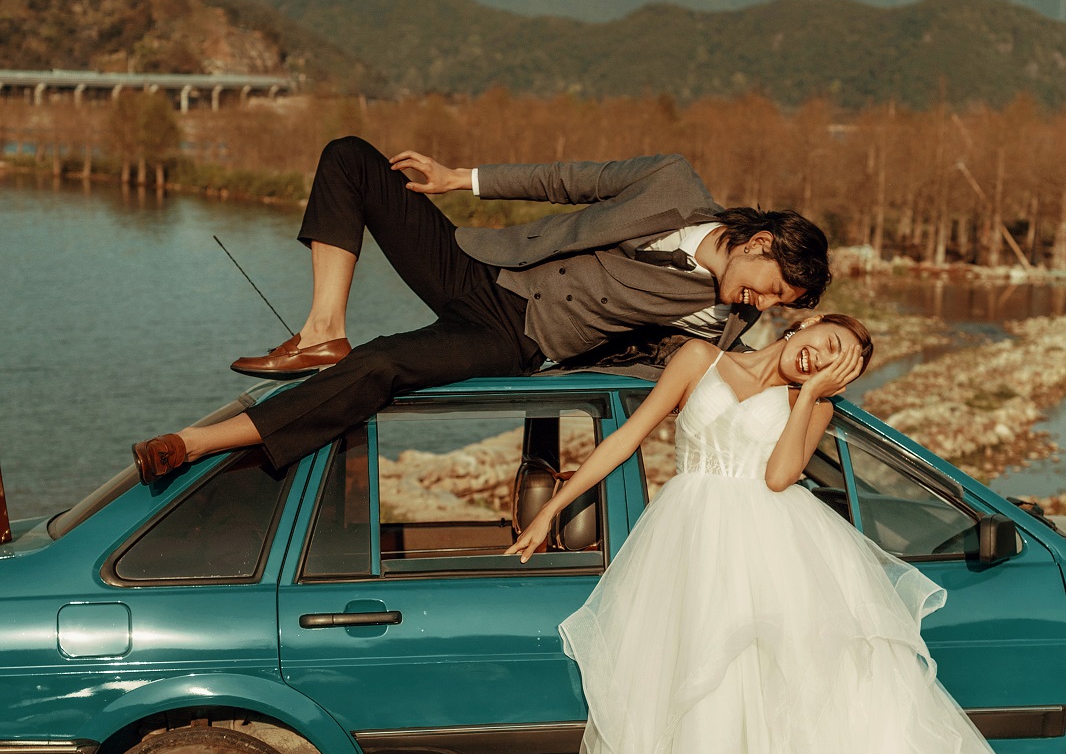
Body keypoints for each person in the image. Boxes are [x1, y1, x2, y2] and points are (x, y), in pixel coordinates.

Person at [508, 314, 1066, 754]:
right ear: (807, 322)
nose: (821, 358)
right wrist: (553, 508)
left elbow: (778, 477)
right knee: (692, 706)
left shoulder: (815, 405)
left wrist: (809, 396)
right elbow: (627, 438)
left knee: (773, 717)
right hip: (687, 551)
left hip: (769, 562)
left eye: (839, 364)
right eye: (827, 342)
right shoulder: (699, 359)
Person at [131, 137, 831, 481]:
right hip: (483, 262)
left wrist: (821, 372)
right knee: (351, 158)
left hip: (512, 334)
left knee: (385, 362)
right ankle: (322, 330)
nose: (765, 304)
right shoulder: (672, 182)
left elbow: (744, 376)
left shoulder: (721, 322)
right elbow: (568, 179)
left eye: (781, 304)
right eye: (772, 286)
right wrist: (458, 178)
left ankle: (194, 442)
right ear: (759, 242)